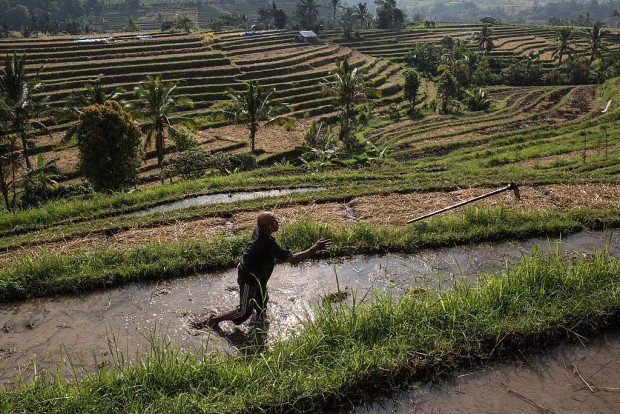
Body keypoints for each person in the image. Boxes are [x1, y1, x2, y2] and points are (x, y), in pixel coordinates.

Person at [206, 211, 330, 328]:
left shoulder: (260, 232)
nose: (277, 223)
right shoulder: (265, 243)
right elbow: (293, 259)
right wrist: (315, 248)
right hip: (249, 278)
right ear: (266, 228)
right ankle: (214, 320)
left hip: (260, 275)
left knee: (262, 302)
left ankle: (259, 325)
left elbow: (280, 255)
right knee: (244, 312)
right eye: (274, 222)